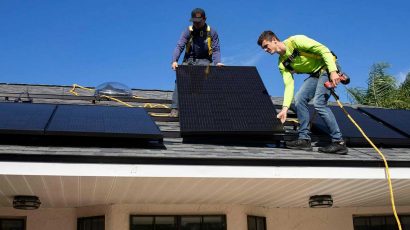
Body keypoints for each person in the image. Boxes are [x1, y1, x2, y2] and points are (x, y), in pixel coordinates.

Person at [257, 31, 348, 154]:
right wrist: (284, 108)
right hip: (315, 75)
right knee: (299, 99)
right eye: (263, 48)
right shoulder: (282, 64)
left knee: (319, 103)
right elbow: (289, 85)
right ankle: (304, 140)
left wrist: (332, 71)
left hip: (327, 67)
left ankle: (339, 142)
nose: (265, 50)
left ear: (274, 40)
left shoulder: (296, 41)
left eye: (266, 46)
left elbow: (324, 50)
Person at [170, 8, 223, 117]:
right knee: (180, 79)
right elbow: (179, 46)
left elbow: (216, 49)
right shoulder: (188, 31)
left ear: (204, 19)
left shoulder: (211, 32)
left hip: (205, 61)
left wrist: (217, 62)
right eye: (194, 21)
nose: (196, 24)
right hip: (189, 60)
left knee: (209, 80)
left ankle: (208, 108)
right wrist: (174, 60)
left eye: (198, 21)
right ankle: (175, 108)